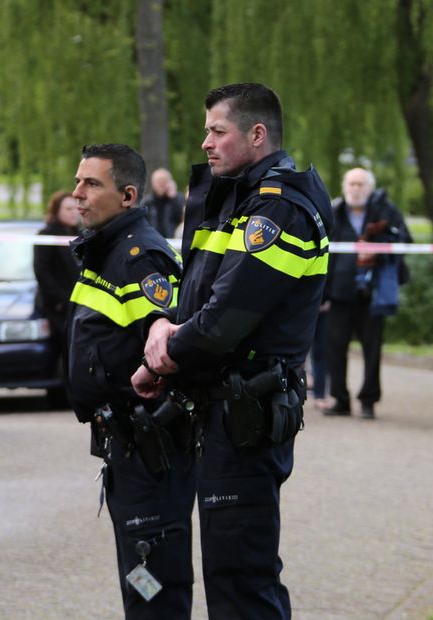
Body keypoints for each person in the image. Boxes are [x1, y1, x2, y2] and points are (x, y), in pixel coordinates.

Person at [133, 83, 331, 619]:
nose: (206, 143)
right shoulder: (240, 198)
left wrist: (165, 350)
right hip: (224, 412)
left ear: (257, 134)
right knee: (231, 575)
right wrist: (167, 324)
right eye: (206, 131)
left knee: (242, 583)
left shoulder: (278, 209)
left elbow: (228, 318)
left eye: (218, 131)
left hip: (245, 414)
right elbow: (202, 293)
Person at [66, 144, 193, 618]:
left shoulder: (141, 258)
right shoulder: (105, 251)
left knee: (155, 584)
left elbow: (170, 351)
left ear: (128, 196)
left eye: (91, 184)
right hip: (124, 445)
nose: (77, 193)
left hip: (149, 448)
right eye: (78, 181)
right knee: (140, 582)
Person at [323, 167, 412, 419]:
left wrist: (378, 251)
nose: (356, 189)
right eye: (351, 184)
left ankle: (368, 401)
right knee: (335, 348)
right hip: (338, 293)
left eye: (361, 184)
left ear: (370, 188)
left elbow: (405, 241)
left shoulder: (386, 211)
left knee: (372, 350)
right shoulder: (334, 211)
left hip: (371, 295)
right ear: (344, 187)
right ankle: (339, 399)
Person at [32, 190, 81, 366]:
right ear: (56, 211)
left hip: (79, 305)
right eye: (68, 208)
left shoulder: (81, 234)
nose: (74, 212)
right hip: (58, 308)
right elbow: (42, 271)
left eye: (76, 208)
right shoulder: (47, 235)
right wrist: (61, 300)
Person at [142, 167, 184, 238]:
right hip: (153, 241)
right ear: (153, 183)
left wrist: (174, 197)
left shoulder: (178, 199)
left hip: (174, 241)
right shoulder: (147, 202)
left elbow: (183, 218)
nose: (161, 184)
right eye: (158, 181)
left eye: (164, 181)